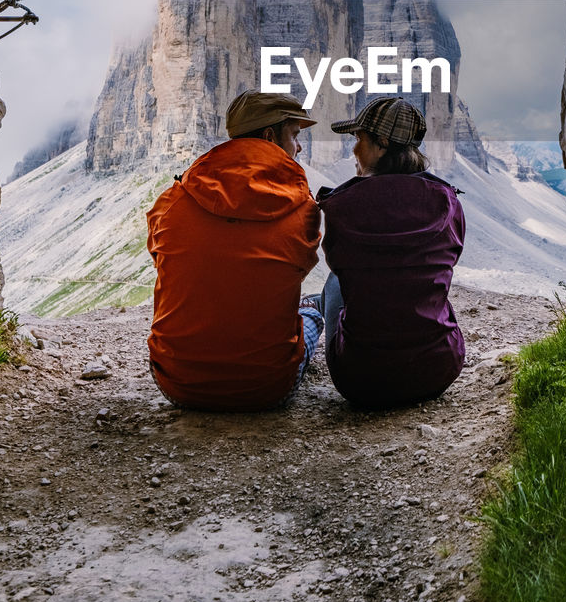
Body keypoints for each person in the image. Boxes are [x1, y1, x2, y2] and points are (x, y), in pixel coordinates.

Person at [147, 90, 323, 411]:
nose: (298, 147)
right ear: (271, 136)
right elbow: (299, 265)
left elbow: (162, 256)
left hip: (178, 383)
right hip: (267, 387)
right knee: (313, 309)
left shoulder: (170, 201)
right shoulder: (303, 209)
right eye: (295, 135)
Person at [314, 97, 466, 409]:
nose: (354, 149)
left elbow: (340, 262)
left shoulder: (342, 205)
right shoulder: (447, 202)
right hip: (437, 371)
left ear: (382, 143)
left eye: (359, 139)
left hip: (360, 379)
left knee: (333, 282)